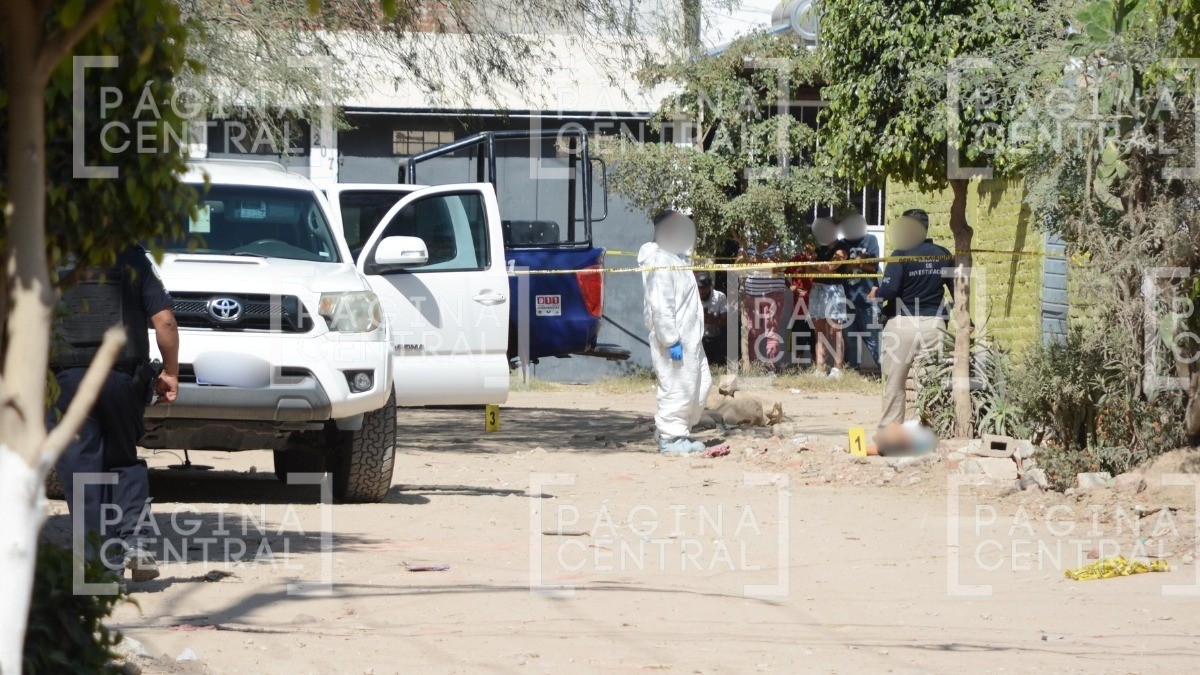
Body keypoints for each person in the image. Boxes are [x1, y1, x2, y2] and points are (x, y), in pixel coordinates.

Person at [49, 245, 179, 581]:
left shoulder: (46, 254)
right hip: (121, 377)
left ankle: (96, 566)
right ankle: (137, 542)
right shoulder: (131, 255)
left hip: (68, 380)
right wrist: (171, 371)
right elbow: (164, 320)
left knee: (83, 470)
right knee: (122, 457)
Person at [869, 209, 954, 428]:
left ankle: (891, 431)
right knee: (929, 383)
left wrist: (876, 293)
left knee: (895, 382)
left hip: (901, 325)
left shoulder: (901, 253)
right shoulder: (943, 254)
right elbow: (958, 291)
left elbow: (890, 290)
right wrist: (968, 321)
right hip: (934, 326)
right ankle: (927, 430)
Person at [639, 210, 712, 455]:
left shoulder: (674, 258)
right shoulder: (659, 261)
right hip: (674, 339)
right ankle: (672, 438)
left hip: (690, 338)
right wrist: (671, 339)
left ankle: (673, 430)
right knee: (677, 388)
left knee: (701, 385)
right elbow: (661, 306)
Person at [839, 212, 882, 372]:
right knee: (850, 341)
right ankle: (852, 372)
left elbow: (873, 267)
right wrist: (858, 262)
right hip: (846, 300)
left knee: (875, 338)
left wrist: (856, 264)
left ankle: (885, 373)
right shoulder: (842, 243)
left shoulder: (870, 240)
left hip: (868, 300)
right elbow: (839, 267)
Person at [740, 244, 792, 373]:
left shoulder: (778, 245)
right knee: (752, 332)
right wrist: (766, 262)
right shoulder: (747, 243)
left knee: (771, 332)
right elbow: (738, 264)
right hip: (752, 294)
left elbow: (779, 267)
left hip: (774, 294)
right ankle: (752, 368)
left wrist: (755, 260)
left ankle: (771, 368)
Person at [809, 218, 850, 378]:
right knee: (819, 331)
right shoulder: (820, 248)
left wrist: (815, 264)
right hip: (817, 290)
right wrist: (817, 266)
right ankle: (820, 368)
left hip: (833, 290)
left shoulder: (843, 246)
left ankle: (837, 368)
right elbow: (809, 270)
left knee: (835, 330)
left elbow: (831, 267)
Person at [695, 272, 729, 366]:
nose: (701, 291)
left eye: (704, 288)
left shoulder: (720, 296)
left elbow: (726, 321)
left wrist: (712, 320)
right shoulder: (692, 297)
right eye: (699, 288)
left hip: (717, 336)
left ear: (710, 286)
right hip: (698, 338)